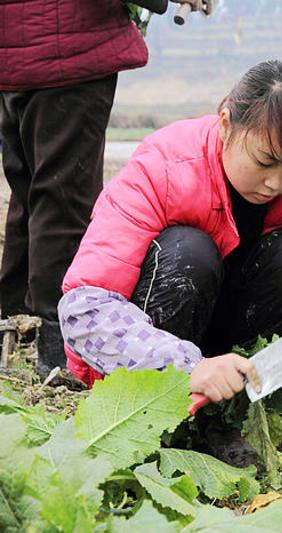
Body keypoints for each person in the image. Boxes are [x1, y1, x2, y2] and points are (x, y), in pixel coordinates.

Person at [57, 60, 282, 405]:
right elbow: (83, 310)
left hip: (236, 366)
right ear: (226, 124)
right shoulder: (162, 169)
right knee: (189, 252)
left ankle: (241, 412)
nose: (276, 183)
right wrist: (190, 367)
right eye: (264, 161)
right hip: (155, 372)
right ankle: (166, 413)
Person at [0, 0, 150, 379]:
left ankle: (16, 319)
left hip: (14, 47)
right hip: (65, 46)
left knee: (33, 190)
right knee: (65, 198)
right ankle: (59, 345)